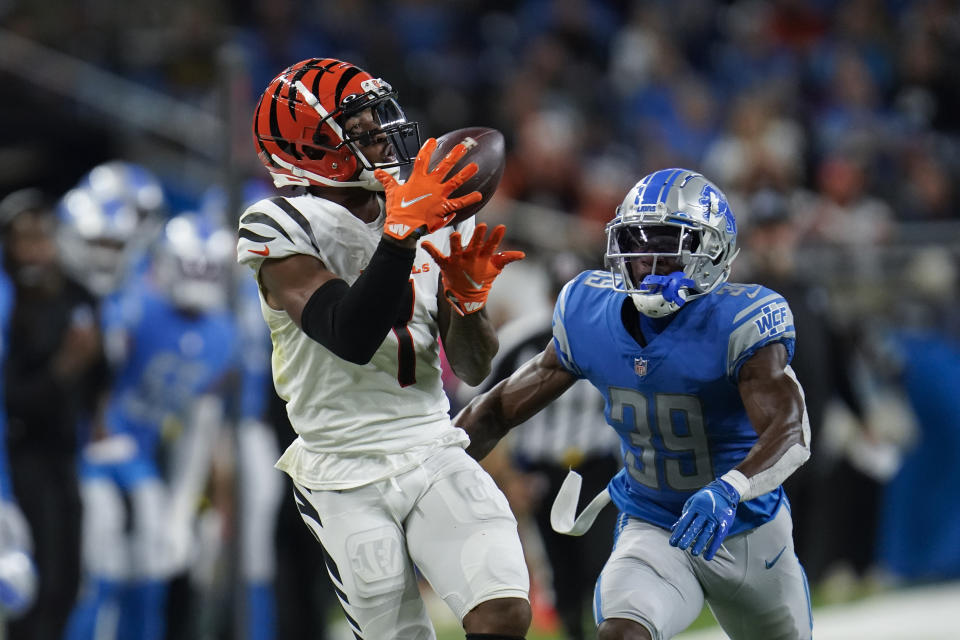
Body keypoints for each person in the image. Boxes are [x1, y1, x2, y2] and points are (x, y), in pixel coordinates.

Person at [237, 58, 531, 640]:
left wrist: (468, 304)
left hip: (428, 440)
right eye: (359, 123)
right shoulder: (278, 223)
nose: (379, 130)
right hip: (342, 463)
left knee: (503, 609)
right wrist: (400, 234)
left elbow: (473, 365)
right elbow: (350, 334)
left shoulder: (420, 205)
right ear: (311, 146)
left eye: (376, 115)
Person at [456, 168, 814, 640]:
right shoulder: (589, 314)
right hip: (653, 524)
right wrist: (432, 473)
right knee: (622, 633)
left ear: (711, 252)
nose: (648, 260)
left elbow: (791, 431)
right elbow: (499, 408)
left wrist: (729, 489)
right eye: (637, 243)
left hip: (747, 530)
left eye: (668, 244)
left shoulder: (741, 320)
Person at [65, 211, 238, 640]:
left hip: (142, 461)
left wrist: (183, 510)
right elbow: (90, 386)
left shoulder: (223, 336)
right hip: (88, 453)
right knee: (96, 572)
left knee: (150, 575)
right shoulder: (132, 307)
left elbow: (200, 430)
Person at [460, 252, 620, 640]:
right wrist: (508, 476)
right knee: (558, 569)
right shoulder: (521, 340)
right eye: (557, 294)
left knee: (604, 566)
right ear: (549, 296)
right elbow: (479, 410)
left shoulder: (614, 336)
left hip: (597, 467)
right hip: (540, 470)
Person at [0, 188, 103, 640]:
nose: (36, 249)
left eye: (43, 237)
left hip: (66, 452)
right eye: (25, 239)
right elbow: (11, 397)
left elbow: (100, 379)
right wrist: (64, 368)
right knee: (29, 584)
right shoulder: (9, 303)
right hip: (19, 457)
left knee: (67, 580)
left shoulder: (77, 294)